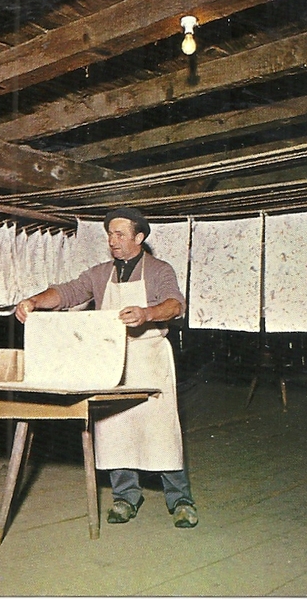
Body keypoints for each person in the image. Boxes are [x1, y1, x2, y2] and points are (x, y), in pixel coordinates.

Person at [15, 207, 198, 529]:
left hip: (149, 357)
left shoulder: (158, 269)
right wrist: (33, 301)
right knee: (115, 430)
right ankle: (126, 497)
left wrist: (148, 313)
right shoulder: (100, 273)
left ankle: (180, 500)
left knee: (161, 432)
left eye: (120, 234)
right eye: (109, 235)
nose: (112, 241)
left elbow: (175, 304)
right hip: (110, 359)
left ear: (139, 237)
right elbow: (67, 292)